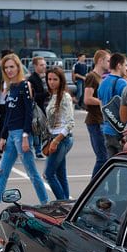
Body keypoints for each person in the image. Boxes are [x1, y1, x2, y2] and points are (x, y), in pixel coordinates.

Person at [0, 53, 48, 218]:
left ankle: (46, 205)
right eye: (6, 67)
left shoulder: (24, 85)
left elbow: (28, 112)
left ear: (18, 67)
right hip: (12, 135)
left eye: (12, 66)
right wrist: (3, 136)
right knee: (2, 171)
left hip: (22, 134)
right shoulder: (10, 87)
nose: (9, 70)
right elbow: (8, 115)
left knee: (32, 173)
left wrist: (26, 136)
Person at [43, 66, 74, 201]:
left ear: (61, 81)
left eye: (55, 79)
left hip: (61, 139)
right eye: (49, 79)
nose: (51, 82)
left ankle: (62, 203)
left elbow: (70, 123)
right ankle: (66, 205)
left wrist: (56, 141)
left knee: (49, 174)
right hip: (56, 138)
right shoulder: (53, 96)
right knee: (61, 175)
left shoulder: (65, 97)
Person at [97, 52, 127, 166]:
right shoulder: (122, 83)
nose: (126, 68)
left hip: (107, 128)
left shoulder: (102, 82)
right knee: (124, 166)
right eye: (125, 65)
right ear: (119, 65)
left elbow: (102, 105)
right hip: (120, 131)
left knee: (112, 166)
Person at [83, 49, 111, 175]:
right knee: (102, 158)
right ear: (100, 61)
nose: (110, 63)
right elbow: (87, 99)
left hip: (100, 120)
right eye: (108, 60)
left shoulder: (101, 77)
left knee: (104, 158)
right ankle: (93, 188)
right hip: (95, 121)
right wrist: (103, 101)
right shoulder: (92, 77)